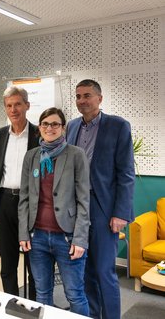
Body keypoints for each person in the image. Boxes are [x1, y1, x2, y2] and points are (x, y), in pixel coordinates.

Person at [66, 79, 135, 319]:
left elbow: (126, 173)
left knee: (105, 271)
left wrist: (120, 213)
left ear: (99, 99)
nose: (81, 101)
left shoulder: (118, 126)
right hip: (76, 209)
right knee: (84, 271)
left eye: (87, 95)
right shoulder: (72, 127)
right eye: (78, 96)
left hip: (103, 208)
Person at [18, 107, 90, 316]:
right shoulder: (31, 156)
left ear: (63, 128)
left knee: (75, 294)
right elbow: (24, 197)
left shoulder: (76, 155)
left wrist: (80, 239)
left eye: (55, 124)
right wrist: (24, 233)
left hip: (67, 239)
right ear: (40, 127)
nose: (50, 128)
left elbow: (84, 200)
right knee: (42, 293)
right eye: (45, 124)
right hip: (37, 236)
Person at [0, 86, 37, 299]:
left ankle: (36, 303)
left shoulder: (39, 134)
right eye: (9, 105)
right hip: (4, 202)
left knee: (34, 261)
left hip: (31, 204)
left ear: (27, 105)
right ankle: (11, 301)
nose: (13, 109)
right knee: (7, 261)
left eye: (18, 104)